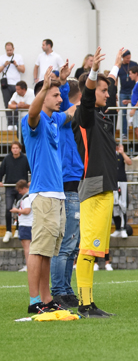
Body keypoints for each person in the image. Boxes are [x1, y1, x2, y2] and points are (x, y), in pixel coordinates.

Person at [71, 48, 121, 318]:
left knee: (94, 249)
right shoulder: (85, 114)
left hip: (105, 187)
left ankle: (89, 304)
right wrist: (93, 72)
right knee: (87, 249)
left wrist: (115, 67)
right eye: (103, 91)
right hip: (93, 186)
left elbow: (107, 86)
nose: (107, 94)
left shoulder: (100, 115)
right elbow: (90, 95)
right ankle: (84, 304)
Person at [23, 66, 76, 314]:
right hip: (44, 194)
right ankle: (34, 301)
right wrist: (45, 87)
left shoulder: (54, 120)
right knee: (38, 249)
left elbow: (73, 110)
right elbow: (32, 113)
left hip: (57, 195)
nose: (59, 99)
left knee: (47, 252)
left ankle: (46, 299)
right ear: (43, 96)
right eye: (54, 95)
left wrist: (64, 83)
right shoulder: (34, 120)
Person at [50, 73, 84, 309]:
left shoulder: (70, 121)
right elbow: (64, 99)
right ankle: (58, 290)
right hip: (66, 184)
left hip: (74, 182)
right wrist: (62, 82)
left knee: (72, 245)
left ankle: (66, 288)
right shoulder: (62, 116)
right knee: (64, 245)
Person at [0, 141, 30, 242]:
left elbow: (31, 170)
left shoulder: (25, 159)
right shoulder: (7, 159)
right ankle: (8, 231)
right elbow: (1, 171)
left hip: (21, 188)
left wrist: (30, 181)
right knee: (8, 208)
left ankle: (17, 230)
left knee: (20, 209)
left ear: (20, 149)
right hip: (9, 187)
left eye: (17, 148)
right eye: (13, 148)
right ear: (11, 149)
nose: (15, 150)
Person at [1, 42, 26, 129]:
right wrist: (4, 65)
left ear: (13, 49)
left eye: (10, 50)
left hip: (16, 84)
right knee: (7, 103)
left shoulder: (18, 57)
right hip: (6, 85)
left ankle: (15, 123)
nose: (9, 52)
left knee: (16, 103)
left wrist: (16, 64)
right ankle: (9, 123)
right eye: (7, 50)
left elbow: (23, 70)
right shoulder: (2, 58)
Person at [117, 49, 138, 139]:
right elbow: (116, 79)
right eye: (126, 58)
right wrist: (115, 92)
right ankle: (124, 133)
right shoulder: (120, 66)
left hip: (133, 91)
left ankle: (137, 131)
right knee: (123, 113)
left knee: (135, 111)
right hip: (123, 92)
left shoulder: (134, 64)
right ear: (122, 58)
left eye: (129, 58)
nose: (128, 60)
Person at [10, 180, 31, 273]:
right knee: (28, 247)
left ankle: (29, 266)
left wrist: (17, 210)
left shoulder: (27, 198)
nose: (19, 192)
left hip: (26, 225)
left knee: (27, 247)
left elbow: (27, 211)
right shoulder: (27, 197)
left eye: (20, 190)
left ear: (24, 188)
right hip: (26, 224)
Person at [112, 143, 132, 238]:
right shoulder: (109, 155)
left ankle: (123, 228)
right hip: (113, 183)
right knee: (114, 206)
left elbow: (129, 162)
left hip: (122, 182)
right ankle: (117, 228)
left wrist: (122, 153)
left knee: (122, 205)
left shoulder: (121, 155)